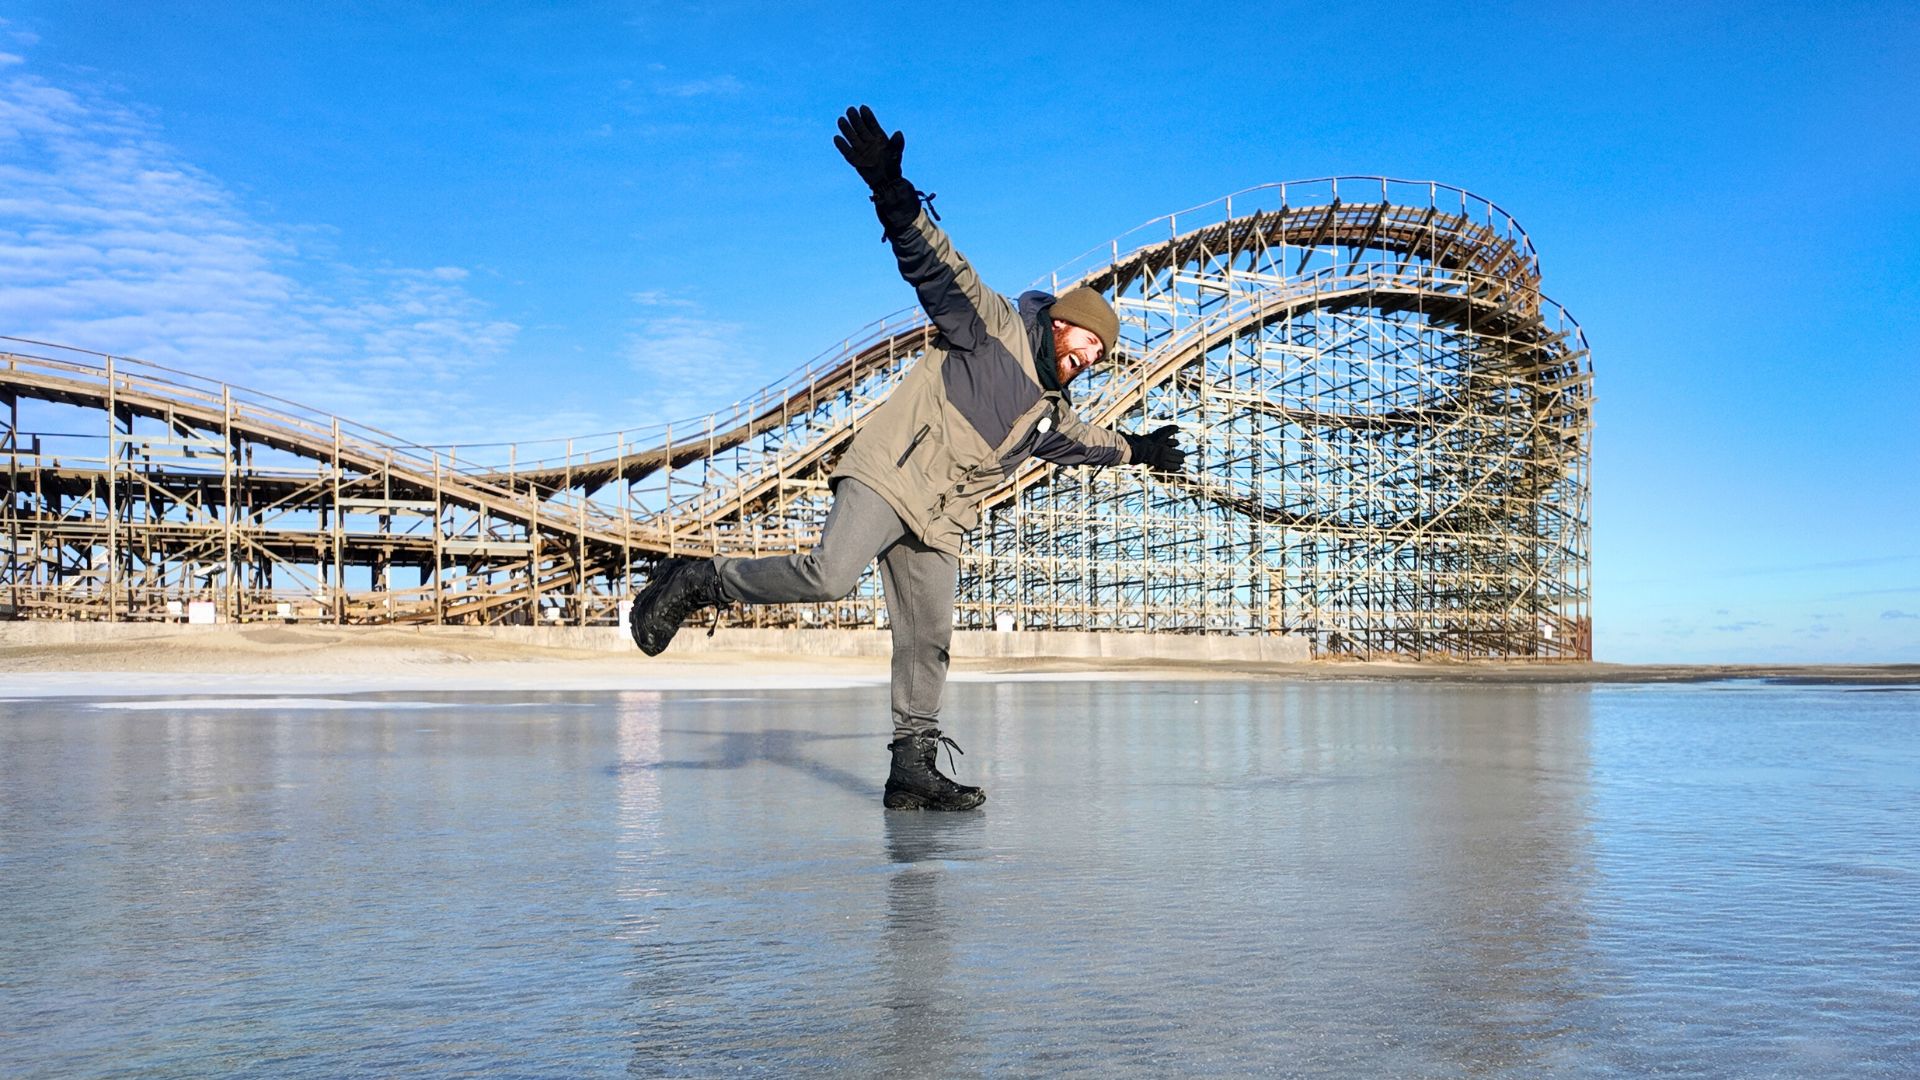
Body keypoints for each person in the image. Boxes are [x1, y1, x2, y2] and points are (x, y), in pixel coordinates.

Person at [629, 105, 1186, 811]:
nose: (1091, 357)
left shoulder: (1049, 410)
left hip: (941, 517)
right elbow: (936, 265)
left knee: (929, 640)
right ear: (1066, 321)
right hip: (892, 473)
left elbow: (1085, 443)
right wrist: (892, 194)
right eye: (1090, 343)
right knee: (830, 578)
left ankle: (911, 768)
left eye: (1101, 355)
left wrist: (1139, 449)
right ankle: (700, 581)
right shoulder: (992, 328)